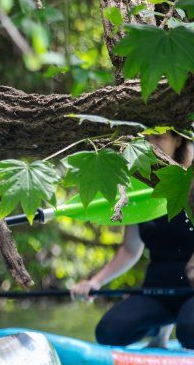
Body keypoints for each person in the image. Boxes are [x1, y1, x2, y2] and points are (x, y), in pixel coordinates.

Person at [71, 131, 194, 349]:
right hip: (156, 292)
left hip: (191, 292)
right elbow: (129, 250)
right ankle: (159, 329)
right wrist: (95, 282)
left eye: (159, 138)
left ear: (177, 140)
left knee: (189, 331)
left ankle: (177, 328)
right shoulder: (137, 192)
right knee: (108, 332)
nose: (151, 146)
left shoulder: (190, 184)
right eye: (146, 140)